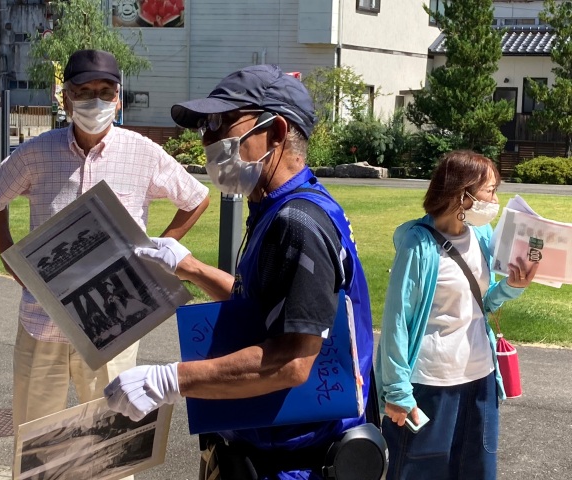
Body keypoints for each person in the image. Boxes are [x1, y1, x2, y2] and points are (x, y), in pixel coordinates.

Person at [103, 64, 375, 479]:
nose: (208, 139)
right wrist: (189, 266)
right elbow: (265, 307)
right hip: (262, 452)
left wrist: (170, 379)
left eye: (222, 123)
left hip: (296, 463)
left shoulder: (296, 222)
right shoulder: (277, 206)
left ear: (277, 131)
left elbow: (292, 361)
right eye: (205, 127)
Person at [0, 49, 209, 447]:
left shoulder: (142, 152)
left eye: (105, 91)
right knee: (34, 443)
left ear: (118, 97)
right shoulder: (37, 152)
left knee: (114, 442)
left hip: (114, 321)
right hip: (42, 320)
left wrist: (158, 251)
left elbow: (196, 197)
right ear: (65, 97)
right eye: (83, 91)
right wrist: (8, 255)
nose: (95, 101)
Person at [375, 150, 539, 480]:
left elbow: (482, 303)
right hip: (431, 384)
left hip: (480, 379)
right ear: (462, 194)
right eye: (490, 190)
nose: (496, 199)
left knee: (475, 469)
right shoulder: (417, 245)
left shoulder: (480, 235)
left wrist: (512, 286)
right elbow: (396, 322)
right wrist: (397, 393)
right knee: (420, 471)